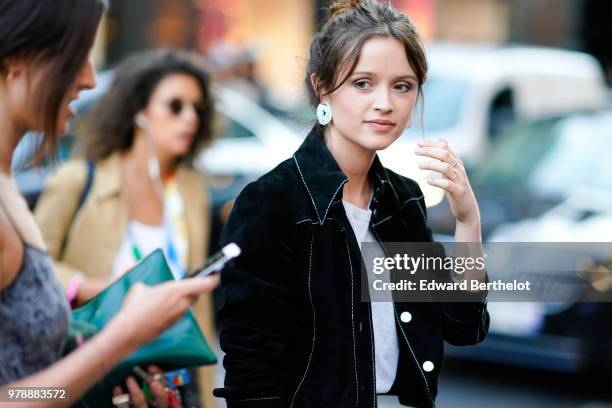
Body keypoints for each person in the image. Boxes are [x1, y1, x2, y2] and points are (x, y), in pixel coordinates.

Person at [214, 1, 489, 407]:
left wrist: (468, 220)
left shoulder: (403, 200)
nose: (385, 103)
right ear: (322, 86)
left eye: (402, 85)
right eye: (363, 83)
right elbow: (254, 373)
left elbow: (463, 326)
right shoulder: (272, 203)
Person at [0, 1, 218, 407]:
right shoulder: (74, 180)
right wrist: (117, 342)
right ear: (17, 57)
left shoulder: (191, 189)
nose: (90, 78)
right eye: (77, 55)